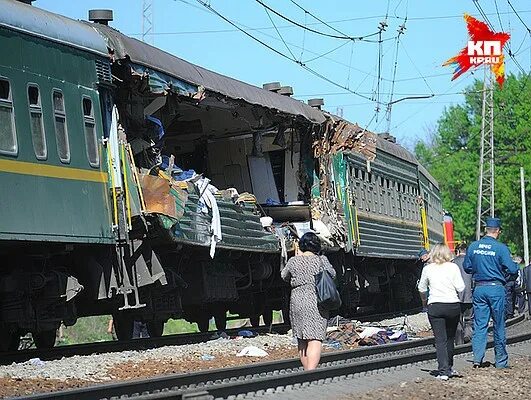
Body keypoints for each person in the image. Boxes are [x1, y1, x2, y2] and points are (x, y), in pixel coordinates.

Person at [464, 217, 518, 369]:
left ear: (486, 230)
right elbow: (513, 269)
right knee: (499, 324)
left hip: (479, 288)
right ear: (498, 231)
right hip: (496, 288)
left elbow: (467, 267)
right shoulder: (501, 248)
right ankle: (500, 361)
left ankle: (477, 359)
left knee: (480, 325)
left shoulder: (473, 246)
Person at [281, 232, 336, 370]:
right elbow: (333, 274)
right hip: (316, 301)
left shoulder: (293, 261)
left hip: (297, 301)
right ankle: (310, 373)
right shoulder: (321, 260)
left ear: (301, 246)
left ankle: (306, 372)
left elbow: (284, 276)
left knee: (302, 339)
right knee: (315, 338)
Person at [418, 243, 465, 380]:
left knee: (440, 340)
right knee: (450, 338)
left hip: (435, 306)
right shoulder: (453, 267)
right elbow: (461, 287)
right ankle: (449, 367)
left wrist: (424, 301)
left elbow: (421, 288)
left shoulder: (428, 269)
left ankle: (443, 371)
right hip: (452, 306)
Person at [453, 242, 473, 344]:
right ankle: (468, 335)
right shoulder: (472, 262)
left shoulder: (453, 263)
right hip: (470, 295)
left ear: (458, 251)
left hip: (456, 296)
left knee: (458, 319)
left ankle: (459, 340)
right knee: (469, 319)